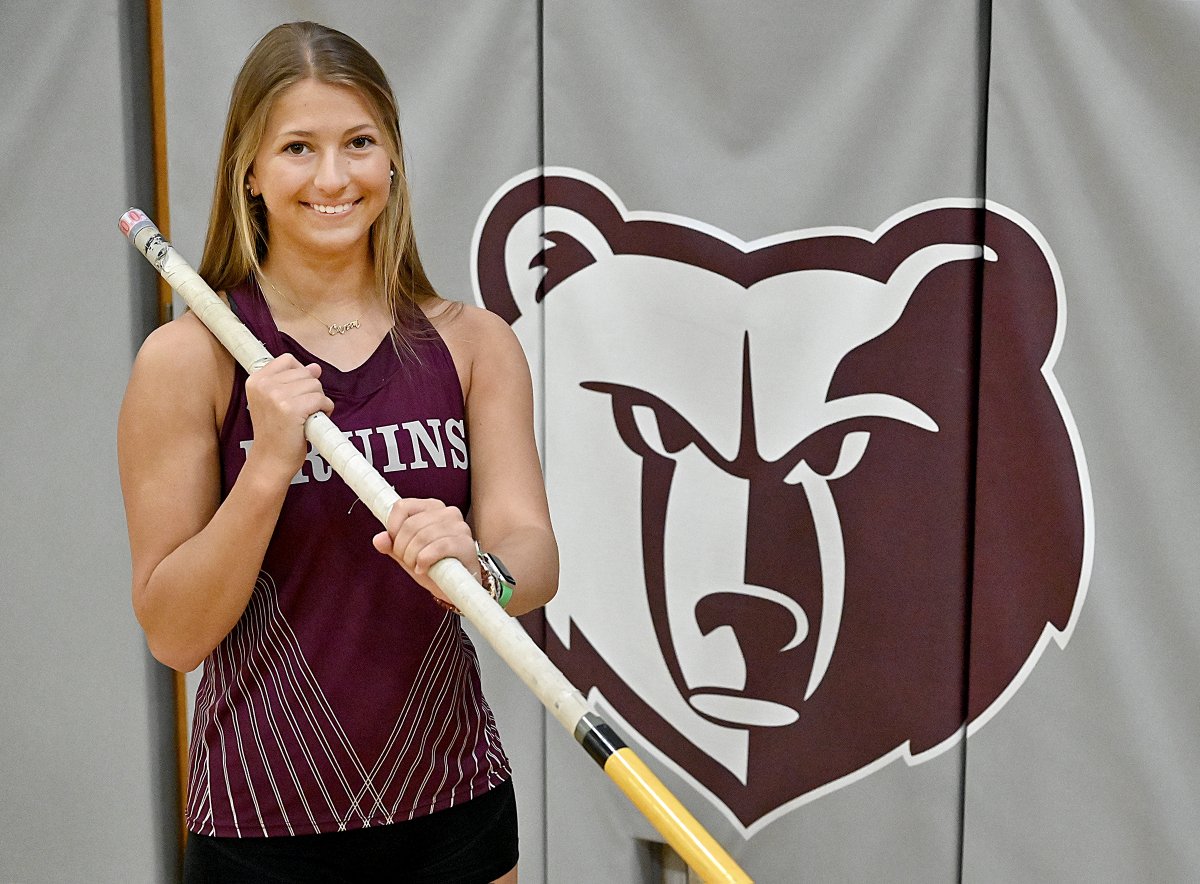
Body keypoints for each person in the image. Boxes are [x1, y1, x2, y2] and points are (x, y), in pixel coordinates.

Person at [117, 21, 557, 883]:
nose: (332, 177)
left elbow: (532, 557)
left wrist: (481, 566)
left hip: (456, 802)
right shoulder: (190, 359)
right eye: (296, 148)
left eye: (358, 142)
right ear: (250, 170)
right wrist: (267, 467)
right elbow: (173, 633)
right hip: (262, 824)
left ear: (391, 158)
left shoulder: (475, 344)